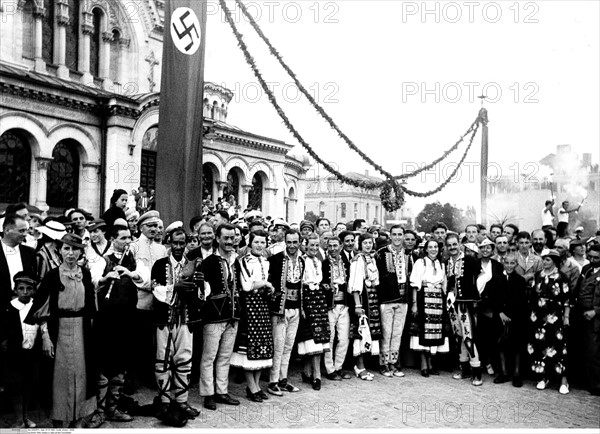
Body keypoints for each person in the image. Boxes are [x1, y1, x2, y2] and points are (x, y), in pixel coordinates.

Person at [26, 234, 98, 428]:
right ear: (60, 251)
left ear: (81, 251)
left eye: (75, 249)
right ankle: (58, 424)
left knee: (81, 375)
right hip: (59, 330)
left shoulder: (86, 274)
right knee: (59, 378)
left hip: (82, 330)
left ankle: (77, 421)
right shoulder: (52, 276)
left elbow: (91, 307)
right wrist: (46, 337)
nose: (70, 253)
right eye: (66, 248)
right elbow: (41, 309)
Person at [94, 223, 149, 423]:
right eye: (123, 238)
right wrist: (105, 278)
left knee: (121, 364)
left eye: (129, 238)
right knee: (104, 364)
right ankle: (99, 411)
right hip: (107, 320)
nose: (128, 241)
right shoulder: (104, 260)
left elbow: (144, 278)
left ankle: (113, 408)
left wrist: (130, 273)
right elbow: (93, 281)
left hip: (127, 319)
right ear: (113, 239)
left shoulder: (133, 261)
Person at [152, 229, 202, 418]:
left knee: (184, 360)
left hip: (186, 319)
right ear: (169, 243)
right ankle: (164, 402)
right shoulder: (160, 264)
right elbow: (155, 289)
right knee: (162, 361)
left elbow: (203, 291)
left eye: (182, 243)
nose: (179, 247)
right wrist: (175, 288)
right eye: (176, 243)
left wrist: (198, 286)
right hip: (164, 320)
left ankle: (182, 402)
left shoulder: (194, 264)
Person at [199, 223, 241, 410]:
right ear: (217, 239)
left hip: (232, 316)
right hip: (214, 317)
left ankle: (222, 391)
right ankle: (208, 394)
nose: (230, 241)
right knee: (209, 356)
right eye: (226, 238)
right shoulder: (208, 262)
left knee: (225, 356)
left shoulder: (236, 261)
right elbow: (202, 293)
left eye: (232, 238)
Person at [231, 230, 274, 402]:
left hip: (263, 306)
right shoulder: (244, 261)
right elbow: (247, 285)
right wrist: (265, 283)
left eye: (262, 242)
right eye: (256, 242)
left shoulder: (265, 261)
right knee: (249, 347)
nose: (259, 245)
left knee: (261, 347)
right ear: (250, 243)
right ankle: (251, 386)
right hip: (250, 306)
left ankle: (256, 385)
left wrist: (267, 288)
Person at [1, 272, 42, 428]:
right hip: (14, 354)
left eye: (29, 288)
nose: (25, 292)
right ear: (15, 290)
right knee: (15, 386)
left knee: (28, 385)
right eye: (21, 288)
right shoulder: (9, 308)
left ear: (34, 290)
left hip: (31, 353)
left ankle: (26, 416)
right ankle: (19, 418)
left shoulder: (37, 306)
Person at [266, 229, 304, 396]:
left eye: (295, 242)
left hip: (296, 308)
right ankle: (272, 381)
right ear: (285, 242)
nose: (292, 246)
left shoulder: (302, 260)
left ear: (299, 242)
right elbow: (270, 283)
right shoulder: (275, 259)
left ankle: (283, 379)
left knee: (288, 346)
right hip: (280, 309)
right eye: (289, 242)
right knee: (278, 346)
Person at [529, 250, 571, 394]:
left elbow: (567, 299)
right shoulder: (538, 275)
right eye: (543, 259)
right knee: (541, 345)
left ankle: (563, 380)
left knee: (558, 347)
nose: (544, 262)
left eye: (547, 260)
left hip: (555, 316)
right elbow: (533, 295)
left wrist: (566, 317)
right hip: (539, 316)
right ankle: (543, 377)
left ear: (554, 261)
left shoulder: (562, 277)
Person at [445, 233, 483, 386]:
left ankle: (477, 372)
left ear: (460, 243)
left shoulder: (469, 259)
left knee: (468, 335)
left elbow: (482, 277)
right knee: (458, 336)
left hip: (466, 303)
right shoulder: (447, 261)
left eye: (455, 244)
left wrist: (475, 295)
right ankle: (464, 369)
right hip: (452, 304)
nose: (452, 247)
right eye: (449, 245)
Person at [409, 239, 449, 377]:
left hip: (437, 301)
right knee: (422, 331)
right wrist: (414, 304)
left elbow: (444, 284)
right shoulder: (420, 262)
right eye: (430, 247)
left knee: (435, 332)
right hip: (423, 298)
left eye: (435, 247)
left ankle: (431, 363)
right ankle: (423, 364)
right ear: (425, 249)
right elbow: (415, 284)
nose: (433, 249)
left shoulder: (441, 264)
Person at [375, 225, 410, 378]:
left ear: (403, 236)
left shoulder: (409, 254)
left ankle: (394, 363)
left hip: (403, 299)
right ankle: (384, 363)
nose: (397, 237)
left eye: (400, 234)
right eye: (394, 234)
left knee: (397, 333)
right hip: (387, 298)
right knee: (386, 332)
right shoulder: (381, 253)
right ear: (390, 236)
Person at [297, 233, 330, 391]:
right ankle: (315, 373)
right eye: (311, 245)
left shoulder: (318, 260)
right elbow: (300, 285)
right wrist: (302, 306)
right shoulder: (301, 261)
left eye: (317, 246)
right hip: (308, 299)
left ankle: (310, 372)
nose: (314, 249)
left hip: (319, 300)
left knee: (319, 337)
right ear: (305, 245)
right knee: (309, 337)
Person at [348, 232, 381, 381]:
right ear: (360, 244)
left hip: (372, 297)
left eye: (370, 243)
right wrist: (358, 304)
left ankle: (365, 365)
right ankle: (359, 366)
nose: (368, 245)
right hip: (362, 299)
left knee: (369, 331)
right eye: (365, 243)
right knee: (360, 331)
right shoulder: (357, 260)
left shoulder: (372, 259)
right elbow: (355, 284)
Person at [475, 238, 507, 379]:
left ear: (492, 249)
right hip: (477, 304)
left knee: (491, 336)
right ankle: (481, 362)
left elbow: (500, 287)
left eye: (488, 247)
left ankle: (491, 363)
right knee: (478, 335)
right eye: (483, 248)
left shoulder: (498, 266)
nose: (485, 250)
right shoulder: (475, 264)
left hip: (491, 306)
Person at [322, 236, 352, 381]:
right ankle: (329, 369)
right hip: (330, 306)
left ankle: (339, 366)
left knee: (344, 338)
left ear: (340, 246)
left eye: (335, 246)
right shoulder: (323, 263)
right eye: (330, 246)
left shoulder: (346, 262)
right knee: (330, 338)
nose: (333, 249)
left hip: (344, 305)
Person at [573, 244, 600, 396]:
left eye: (596, 258)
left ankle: (596, 385)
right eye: (590, 256)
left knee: (594, 351)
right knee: (583, 348)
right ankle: (585, 380)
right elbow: (578, 289)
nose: (592, 260)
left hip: (595, 317)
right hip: (581, 314)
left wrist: (596, 311)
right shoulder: (586, 269)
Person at [499, 254, 528, 387]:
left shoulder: (520, 281)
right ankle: (504, 372)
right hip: (500, 317)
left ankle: (517, 373)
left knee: (517, 346)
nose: (509, 266)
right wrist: (500, 313)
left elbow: (521, 301)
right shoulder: (496, 279)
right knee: (501, 344)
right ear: (503, 263)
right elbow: (493, 297)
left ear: (516, 264)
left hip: (516, 317)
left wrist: (512, 316)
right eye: (507, 263)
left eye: (512, 263)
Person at [1, 214, 37, 307]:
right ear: (7, 230)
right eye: (21, 231)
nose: (25, 234)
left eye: (26, 230)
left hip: (24, 308)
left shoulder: (30, 252)